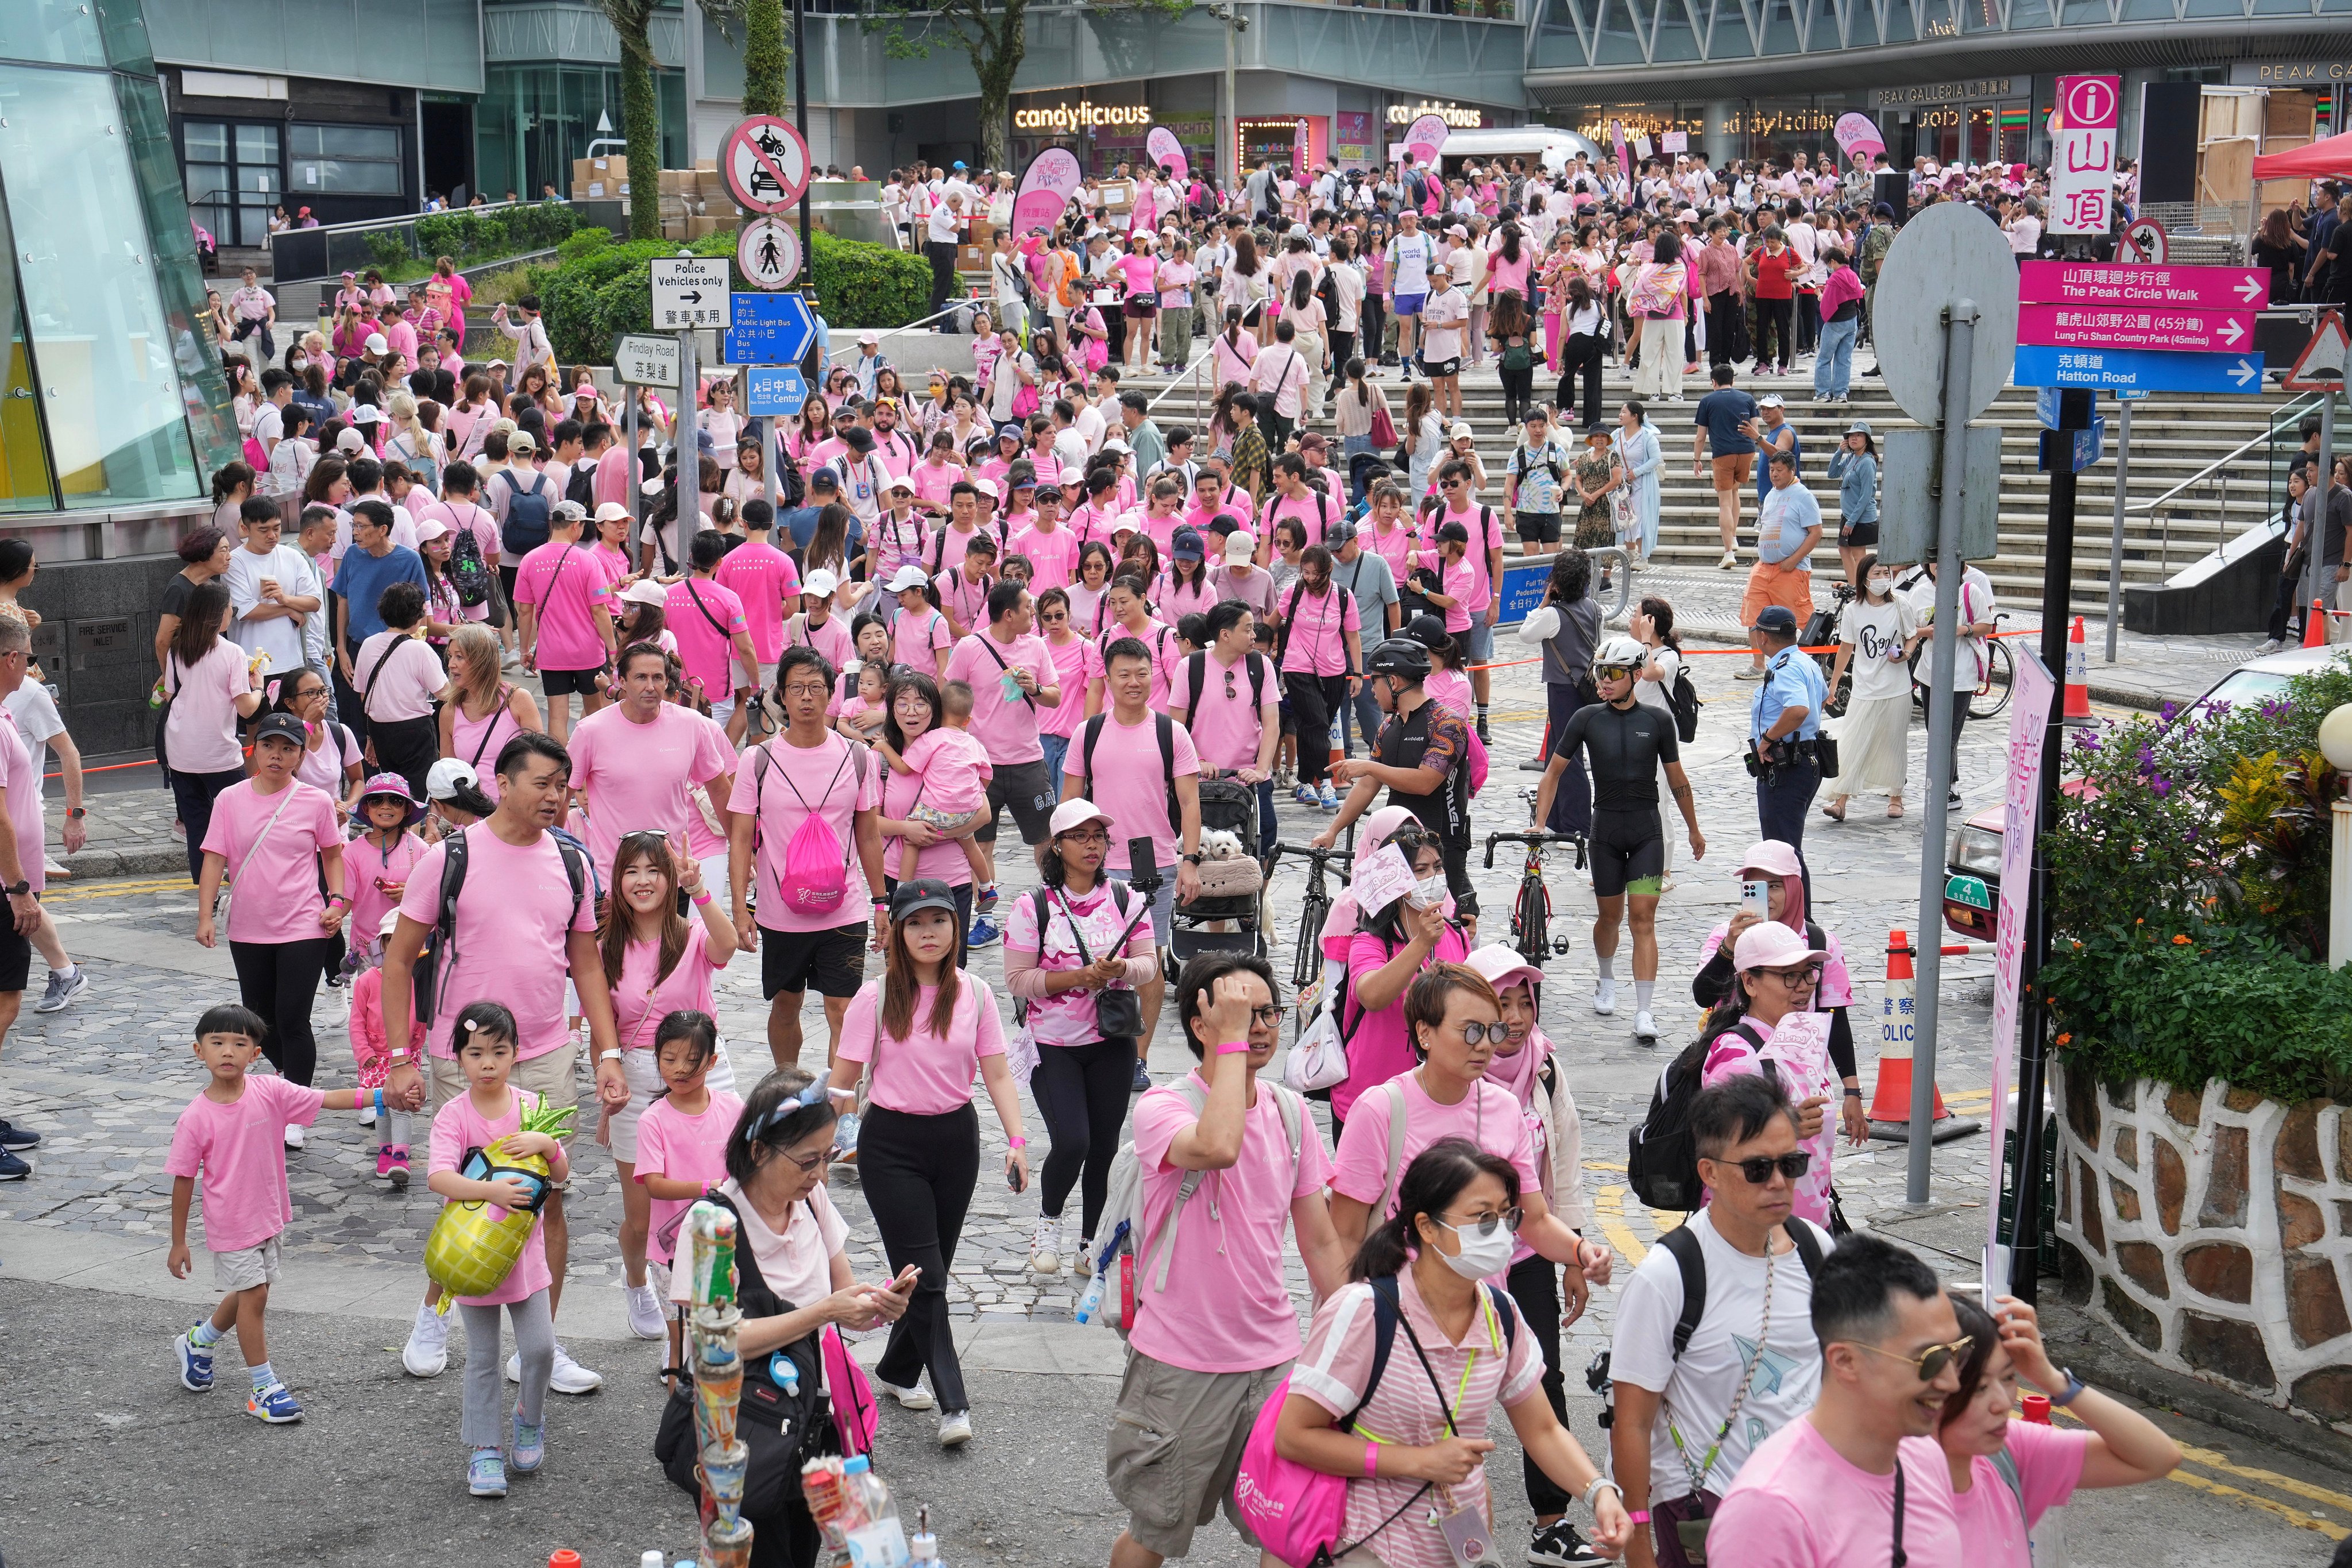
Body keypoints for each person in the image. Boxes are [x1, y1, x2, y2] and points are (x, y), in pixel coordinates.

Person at [380, 732, 620, 1396]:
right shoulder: (449, 857)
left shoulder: (573, 862)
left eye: (562, 785)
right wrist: (400, 1058)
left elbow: (587, 963)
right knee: (469, 1193)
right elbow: (398, 960)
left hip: (545, 1054)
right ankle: (433, 1316)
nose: (554, 796)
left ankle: (539, 1342)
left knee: (549, 1199)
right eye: (542, 783)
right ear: (505, 783)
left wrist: (607, 1052)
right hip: (468, 1060)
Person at [1279, 1137, 1633, 1567]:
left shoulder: (1499, 1312)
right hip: (1366, 1542)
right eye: (1483, 1218)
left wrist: (1598, 1493)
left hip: (1458, 1536)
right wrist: (1419, 1462)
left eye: (1508, 1215)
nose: (1502, 1231)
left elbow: (1541, 1429)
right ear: (1427, 1227)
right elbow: (1294, 1435)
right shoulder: (1362, 1312)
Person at [1106, 952, 1351, 1568]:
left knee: (1288, 1530)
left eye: (1268, 1011)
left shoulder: (1291, 1114)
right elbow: (1216, 1146)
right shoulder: (1163, 1108)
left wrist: (1355, 1331)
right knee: (1155, 1533)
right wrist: (1234, 1044)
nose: (1262, 1024)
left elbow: (1319, 1241)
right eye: (1244, 1012)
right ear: (1200, 1024)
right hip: (1180, 1363)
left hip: (1273, 1361)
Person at [663, 1068, 916, 1562]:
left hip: (812, 1417)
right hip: (739, 1426)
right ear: (759, 1151)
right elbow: (719, 1343)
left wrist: (882, 1307)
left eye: (826, 1158)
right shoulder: (713, 1224)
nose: (820, 1174)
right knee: (754, 1551)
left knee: (803, 1548)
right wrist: (822, 1311)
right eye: (807, 1161)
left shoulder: (813, 1202)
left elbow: (846, 1304)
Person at [820, 878, 1029, 1447]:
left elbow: (999, 1073)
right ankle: (954, 1404)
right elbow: (842, 1084)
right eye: (916, 922)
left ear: (954, 927)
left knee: (924, 1273)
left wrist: (1017, 1139)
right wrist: (815, 1148)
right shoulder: (875, 997)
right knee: (930, 1278)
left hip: (957, 1141)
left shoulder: (977, 994)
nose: (928, 932)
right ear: (899, 932)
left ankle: (894, 1370)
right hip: (891, 1146)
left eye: (938, 920)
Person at [1608, 1073, 1836, 1568]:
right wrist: (1638, 1548)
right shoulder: (1667, 1278)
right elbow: (1631, 1422)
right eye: (1757, 1169)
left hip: (1810, 1510)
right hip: (1708, 1519)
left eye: (1791, 1163)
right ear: (1708, 1173)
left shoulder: (1817, 1252)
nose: (1779, 1182)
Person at [1461, 944, 1611, 1568]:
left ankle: (1551, 1525)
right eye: (1503, 1004)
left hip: (1527, 1254)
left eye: (1525, 1003)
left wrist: (1575, 1252)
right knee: (1456, 1397)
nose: (1517, 1019)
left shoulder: (1545, 1070)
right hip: (1458, 1266)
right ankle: (1461, 1544)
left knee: (1543, 1381)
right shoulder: (1454, 1080)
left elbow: (1565, 1166)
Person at [167, 1003, 380, 1422]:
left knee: (254, 1292)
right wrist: (178, 1242)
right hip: (231, 1222)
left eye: (239, 1044)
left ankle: (199, 1340)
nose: (228, 1051)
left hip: (268, 1215)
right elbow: (183, 1179)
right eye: (218, 1043)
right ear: (199, 1051)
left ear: (256, 1053)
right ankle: (264, 1388)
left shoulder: (270, 1091)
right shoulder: (195, 1118)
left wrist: (380, 1097)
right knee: (256, 1298)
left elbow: (326, 1099)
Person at [1710, 1233, 1967, 1566]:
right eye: (1930, 1359)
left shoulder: (1926, 1458)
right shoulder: (1768, 1511)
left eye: (1957, 1352)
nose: (1952, 1382)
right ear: (1845, 1361)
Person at [596, 827, 744, 1342]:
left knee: (722, 1191)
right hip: (638, 1077)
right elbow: (604, 1029)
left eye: (654, 870)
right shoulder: (604, 948)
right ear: (617, 880)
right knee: (643, 1216)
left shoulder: (691, 933)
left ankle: (705, 1306)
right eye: (632, 871)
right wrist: (607, 1099)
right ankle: (638, 1280)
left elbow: (729, 947)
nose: (643, 881)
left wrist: (700, 889)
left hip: (707, 1070)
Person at [1006, 798, 1160, 1274]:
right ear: (1057, 845)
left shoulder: (1125, 899)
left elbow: (1149, 964)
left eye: (1098, 836)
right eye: (1080, 836)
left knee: (1104, 1147)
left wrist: (1120, 970)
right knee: (1071, 1140)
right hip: (1053, 1045)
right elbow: (1017, 980)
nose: (1092, 845)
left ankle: (1090, 1241)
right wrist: (1075, 978)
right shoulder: (1033, 907)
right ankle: (1049, 1223)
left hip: (1111, 1039)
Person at [426, 999, 568, 1498]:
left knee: (540, 1348)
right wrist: (490, 1191)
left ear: (515, 1055)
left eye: (498, 1052)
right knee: (482, 1357)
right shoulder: (453, 1115)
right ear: (458, 1059)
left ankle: (530, 1416)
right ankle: (484, 1449)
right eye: (476, 1052)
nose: (487, 1063)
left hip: (524, 1258)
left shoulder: (531, 1109)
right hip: (474, 1257)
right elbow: (438, 1177)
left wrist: (547, 1146)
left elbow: (561, 1174)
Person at [1920, 1293, 2180, 1566]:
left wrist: (2051, 1378)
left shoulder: (2008, 1453)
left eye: (2009, 1376)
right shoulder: (1889, 1503)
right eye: (1980, 1387)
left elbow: (2158, 1458)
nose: (2002, 1403)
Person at [1532, 636, 1705, 1042]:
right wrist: (1540, 824)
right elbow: (1553, 773)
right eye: (1599, 674)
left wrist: (1694, 830)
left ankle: (1644, 1011)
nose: (1602, 682)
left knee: (1643, 919)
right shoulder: (1587, 719)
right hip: (1605, 834)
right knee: (1609, 917)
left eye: (1611, 675)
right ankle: (1605, 978)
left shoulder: (1658, 722)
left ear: (1633, 676)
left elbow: (1678, 780)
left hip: (1647, 834)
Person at [728, 645, 889, 1073]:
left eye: (815, 688)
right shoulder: (757, 760)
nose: (805, 697)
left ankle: (839, 1105)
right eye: (796, 687)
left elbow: (868, 833)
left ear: (830, 695)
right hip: (781, 910)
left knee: (843, 1009)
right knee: (785, 1004)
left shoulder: (858, 758)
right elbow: (741, 837)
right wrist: (739, 909)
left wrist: (880, 902)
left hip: (845, 904)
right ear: (781, 694)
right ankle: (788, 1083)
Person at [1058, 638, 1205, 1081]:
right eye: (1123, 674)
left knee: (1148, 961)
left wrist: (1191, 860)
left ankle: (1138, 1058)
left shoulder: (1170, 732)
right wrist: (1060, 861)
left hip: (1152, 862)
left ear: (1153, 675)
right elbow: (1069, 801)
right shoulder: (1089, 732)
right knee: (1088, 955)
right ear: (1108, 678)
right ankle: (1092, 1045)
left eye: (1141, 673)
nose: (1133, 682)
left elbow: (1191, 802)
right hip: (1093, 861)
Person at [195, 711, 349, 1122]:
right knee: (261, 1021)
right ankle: (286, 1078)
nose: (277, 756)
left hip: (303, 923)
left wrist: (336, 901)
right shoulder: (230, 799)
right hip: (248, 926)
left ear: (300, 756)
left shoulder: (315, 801)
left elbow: (333, 855)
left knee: (293, 1017)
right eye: (269, 746)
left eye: (288, 748)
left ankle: (296, 1109)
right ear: (255, 748)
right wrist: (205, 916)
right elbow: (214, 859)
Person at [1317, 638, 1475, 919]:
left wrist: (1370, 767)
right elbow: (1368, 785)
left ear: (1394, 681)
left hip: (1442, 842)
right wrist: (1334, 830)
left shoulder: (1447, 722)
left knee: (1448, 927)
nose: (1371, 689)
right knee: (1391, 925)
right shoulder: (1389, 724)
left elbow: (1425, 782)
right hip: (1400, 841)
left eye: (1374, 680)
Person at [941, 580, 1064, 938]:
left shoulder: (1037, 647)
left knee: (1046, 841)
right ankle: (986, 919)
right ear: (1008, 614)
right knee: (982, 844)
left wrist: (1035, 689)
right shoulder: (969, 647)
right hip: (981, 766)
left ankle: (1056, 910)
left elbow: (1054, 697)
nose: (1033, 611)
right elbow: (949, 695)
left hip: (1028, 761)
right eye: (1028, 607)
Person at [567, 642, 736, 878]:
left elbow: (719, 790)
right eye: (640, 678)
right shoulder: (590, 731)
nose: (650, 687)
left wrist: (741, 853)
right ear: (622, 682)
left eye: (657, 678)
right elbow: (563, 794)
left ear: (667, 681)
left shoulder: (691, 724)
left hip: (674, 877)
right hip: (613, 880)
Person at [163, 581, 267, 884]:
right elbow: (247, 708)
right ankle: (243, 880)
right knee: (237, 821)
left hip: (181, 749)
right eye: (230, 607)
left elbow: (170, 693)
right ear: (218, 614)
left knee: (197, 824)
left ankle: (206, 893)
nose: (232, 611)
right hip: (218, 751)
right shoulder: (233, 652)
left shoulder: (178, 648)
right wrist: (259, 686)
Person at [512, 500, 617, 746]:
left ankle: (561, 774)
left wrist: (525, 650)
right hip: (588, 651)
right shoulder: (589, 561)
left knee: (557, 718)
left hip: (552, 653)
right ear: (576, 526)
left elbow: (524, 613)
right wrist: (612, 649)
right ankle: (593, 765)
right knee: (595, 712)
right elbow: (600, 610)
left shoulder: (530, 560)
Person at [331, 501, 428, 756]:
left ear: (383, 529)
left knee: (390, 717)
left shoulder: (409, 559)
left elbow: (422, 608)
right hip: (356, 648)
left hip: (396, 650)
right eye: (354, 526)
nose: (355, 532)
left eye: (362, 527)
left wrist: (418, 648)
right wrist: (341, 648)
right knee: (354, 721)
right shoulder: (353, 555)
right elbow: (343, 601)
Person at [1824, 555, 1914, 821]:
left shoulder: (1901, 605)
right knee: (1853, 741)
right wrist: (1834, 682)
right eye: (1877, 574)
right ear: (1864, 578)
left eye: (1886, 573)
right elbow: (1846, 647)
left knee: (1894, 743)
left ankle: (1896, 796)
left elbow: (1912, 637)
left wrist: (1906, 655)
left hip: (1897, 688)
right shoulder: (1854, 610)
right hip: (1864, 688)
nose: (1883, 578)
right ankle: (1841, 801)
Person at [1276, 544, 1364, 814]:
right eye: (1306, 572)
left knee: (1312, 727)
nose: (1311, 578)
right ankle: (1325, 782)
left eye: (1317, 574)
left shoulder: (1343, 597)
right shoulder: (1294, 592)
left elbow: (1352, 637)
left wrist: (1358, 674)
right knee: (1317, 721)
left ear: (1329, 571)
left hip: (1334, 671)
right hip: (1297, 667)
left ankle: (1303, 782)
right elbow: (1274, 620)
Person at [1748, 605, 1826, 896]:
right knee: (1786, 844)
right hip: (1804, 758)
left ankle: (1799, 920)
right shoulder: (1805, 662)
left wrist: (1767, 739)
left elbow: (1799, 709)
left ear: (1763, 638)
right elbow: (1823, 698)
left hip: (1785, 765)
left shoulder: (1786, 668)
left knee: (1783, 849)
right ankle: (1796, 917)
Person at [349, 581, 451, 800]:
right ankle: (413, 830)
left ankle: (394, 827)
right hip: (414, 730)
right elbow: (445, 693)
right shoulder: (420, 648)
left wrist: (370, 737)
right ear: (416, 616)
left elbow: (364, 696)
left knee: (393, 789)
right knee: (418, 791)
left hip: (379, 729)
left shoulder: (368, 644)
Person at [1739, 452, 1822, 680]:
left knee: (1801, 618)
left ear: (1792, 471)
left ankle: (1814, 661)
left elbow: (1816, 533)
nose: (1774, 474)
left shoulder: (1803, 496)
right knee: (1754, 616)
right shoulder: (1771, 495)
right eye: (1771, 470)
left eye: (1779, 470)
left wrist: (1793, 560)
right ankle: (1758, 665)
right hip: (1764, 567)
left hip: (1791, 569)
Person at [223, 500, 324, 681]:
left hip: (292, 662)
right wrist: (288, 609)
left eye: (277, 528)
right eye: (263, 530)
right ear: (245, 529)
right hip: (252, 666)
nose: (272, 535)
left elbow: (314, 602)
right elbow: (247, 612)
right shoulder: (235, 562)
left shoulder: (292, 556)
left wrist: (284, 599)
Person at [438, 624, 542, 798]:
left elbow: (540, 759)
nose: (451, 664)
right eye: (450, 656)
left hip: (514, 811)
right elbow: (447, 774)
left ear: (482, 661)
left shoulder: (517, 700)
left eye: (459, 657)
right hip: (470, 816)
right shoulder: (449, 711)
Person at [1692, 365, 1759, 569]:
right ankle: (1734, 536)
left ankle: (1728, 552)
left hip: (1723, 454)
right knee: (1735, 490)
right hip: (1746, 451)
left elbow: (1701, 436)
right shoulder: (1748, 399)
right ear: (1733, 380)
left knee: (1724, 503)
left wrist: (1696, 460)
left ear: (1713, 382)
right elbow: (1755, 430)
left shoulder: (1707, 401)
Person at [1825, 422, 1879, 590]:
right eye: (1851, 435)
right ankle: (1854, 586)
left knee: (1859, 554)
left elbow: (1865, 496)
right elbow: (1832, 473)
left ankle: (1862, 590)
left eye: (1859, 435)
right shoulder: (1851, 457)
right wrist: (1839, 451)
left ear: (1867, 439)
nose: (1854, 438)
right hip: (1849, 514)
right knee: (1843, 549)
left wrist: (1852, 522)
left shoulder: (1867, 462)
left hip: (1860, 517)